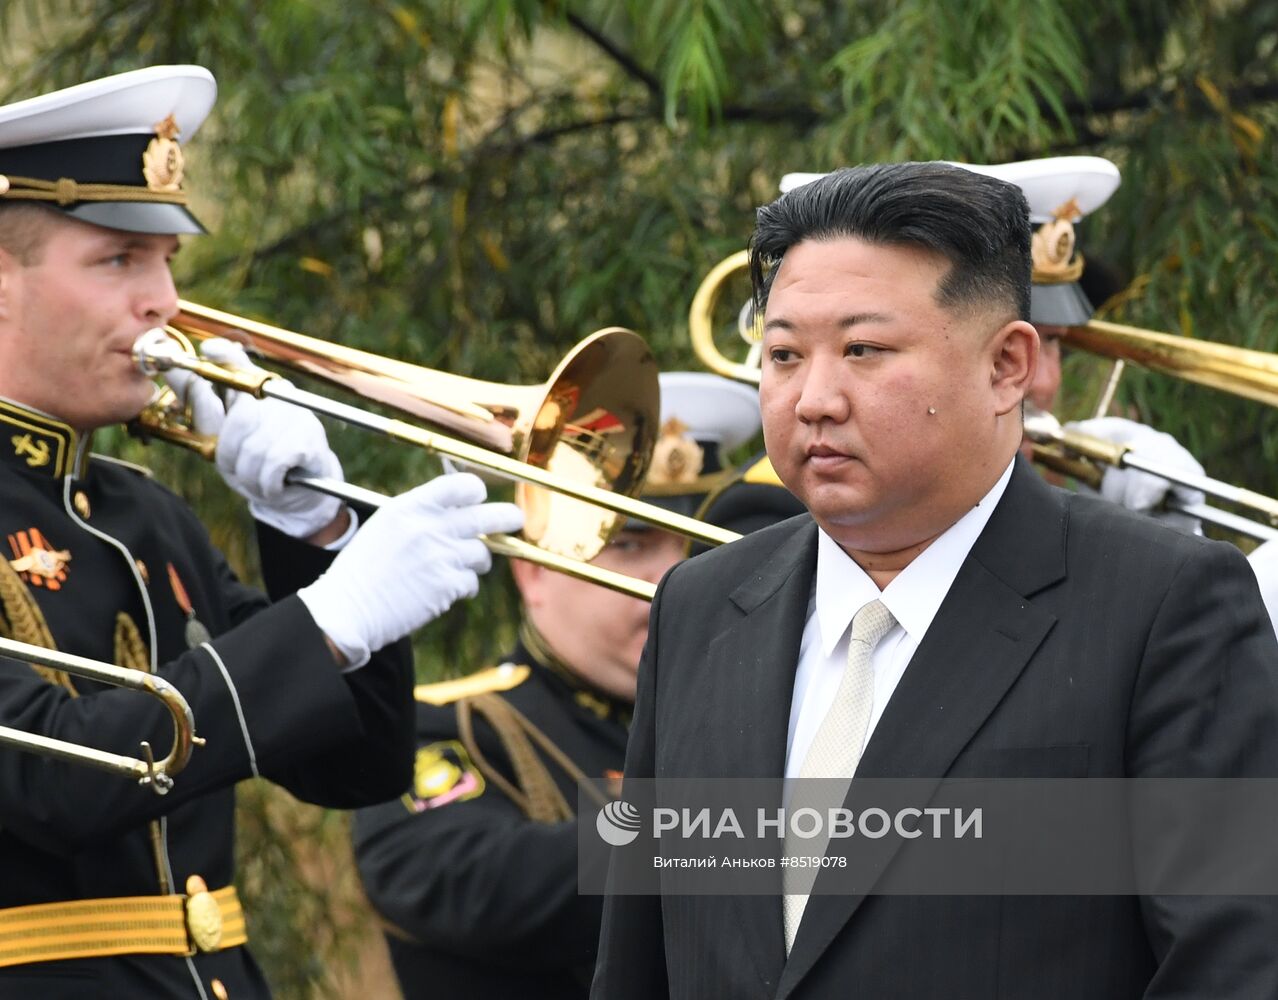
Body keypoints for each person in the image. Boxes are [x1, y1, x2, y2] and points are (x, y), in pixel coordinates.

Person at [592, 163, 1278, 998]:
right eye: (782, 354)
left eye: (864, 350)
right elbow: (635, 965)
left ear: (1006, 367)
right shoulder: (699, 606)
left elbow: (1234, 964)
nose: (813, 399)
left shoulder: (1163, 605)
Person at [0, 67, 522, 998]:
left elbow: (355, 767)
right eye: (119, 260)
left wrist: (314, 529)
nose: (163, 301)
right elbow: (54, 781)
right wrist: (325, 619)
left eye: (167, 262)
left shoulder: (142, 511)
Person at [352, 371, 762, 999]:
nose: (675, 580)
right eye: (629, 545)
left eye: (700, 550)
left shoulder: (752, 715)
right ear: (532, 572)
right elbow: (484, 888)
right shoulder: (450, 728)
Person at [782, 158, 1209, 531]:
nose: (1041, 383)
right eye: (784, 354)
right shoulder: (780, 509)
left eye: (1055, 344)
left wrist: (1133, 548)